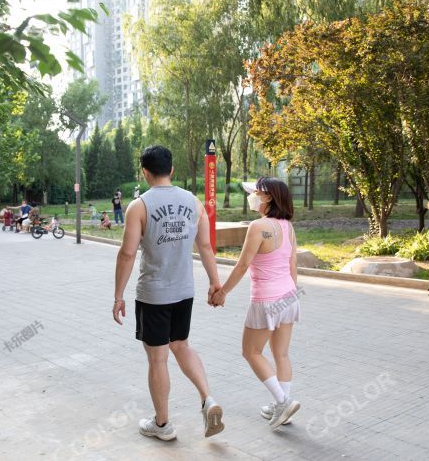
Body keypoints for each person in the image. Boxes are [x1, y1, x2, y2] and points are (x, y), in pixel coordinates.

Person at [113, 145, 225, 441]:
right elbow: (204, 247)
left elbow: (127, 254)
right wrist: (216, 283)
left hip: (154, 294)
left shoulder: (139, 206)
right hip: (184, 292)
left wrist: (118, 296)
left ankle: (162, 425)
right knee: (182, 345)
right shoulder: (193, 202)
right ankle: (208, 398)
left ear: (145, 173)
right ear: (172, 170)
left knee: (158, 359)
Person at [210, 177, 301, 430]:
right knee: (281, 354)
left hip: (266, 300)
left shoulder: (258, 226)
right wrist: (291, 294)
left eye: (256, 192)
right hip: (288, 297)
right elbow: (292, 266)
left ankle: (283, 401)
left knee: (251, 352)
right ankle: (282, 405)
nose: (252, 197)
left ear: (269, 197)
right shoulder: (288, 227)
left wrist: (222, 292)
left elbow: (242, 265)